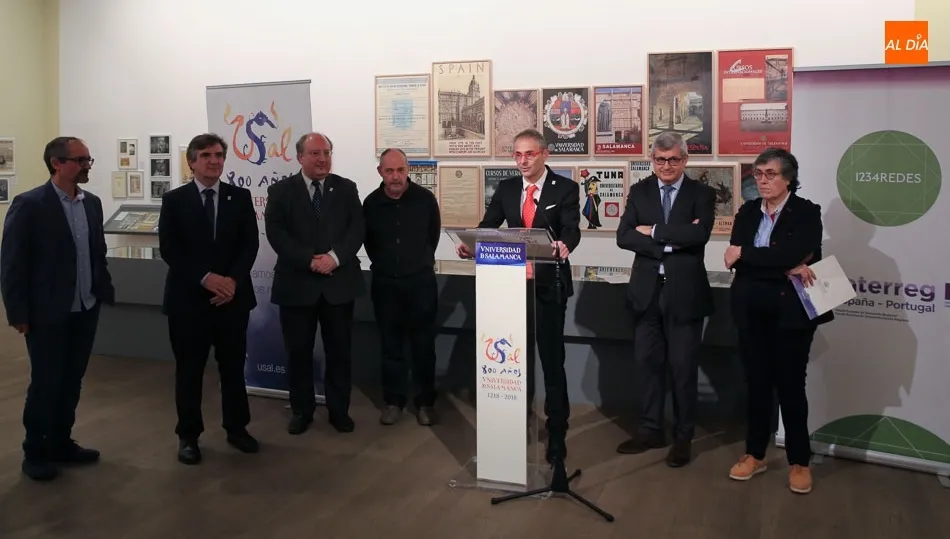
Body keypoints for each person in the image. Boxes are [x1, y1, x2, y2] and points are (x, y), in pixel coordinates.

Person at [456, 128, 580, 464]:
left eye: (529, 154)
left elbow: (571, 228)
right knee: (511, 362)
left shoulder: (565, 188)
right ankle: (512, 427)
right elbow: (489, 225)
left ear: (544, 154)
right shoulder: (508, 188)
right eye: (517, 155)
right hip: (511, 287)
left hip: (548, 287)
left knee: (552, 363)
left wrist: (564, 245)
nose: (522, 161)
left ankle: (557, 435)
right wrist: (472, 244)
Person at [0, 136, 115, 481]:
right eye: (80, 160)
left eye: (88, 160)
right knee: (46, 382)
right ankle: (35, 450)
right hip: (47, 312)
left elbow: (97, 252)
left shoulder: (91, 203)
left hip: (85, 306)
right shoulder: (30, 204)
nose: (86, 166)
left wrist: (101, 289)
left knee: (72, 380)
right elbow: (12, 264)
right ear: (56, 162)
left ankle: (62, 442)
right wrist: (18, 313)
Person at [724, 147, 832, 495]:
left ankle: (799, 461)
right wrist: (780, 266)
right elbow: (735, 259)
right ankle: (755, 454)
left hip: (790, 316)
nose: (763, 180)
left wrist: (752, 257)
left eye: (770, 174)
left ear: (788, 178)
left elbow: (787, 253)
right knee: (756, 386)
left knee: (790, 388)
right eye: (758, 174)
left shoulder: (806, 212)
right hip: (750, 310)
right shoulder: (747, 212)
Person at [158, 133, 260, 465]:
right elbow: (171, 249)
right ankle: (188, 435)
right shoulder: (174, 200)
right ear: (191, 162)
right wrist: (207, 278)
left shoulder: (239, 197)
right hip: (189, 301)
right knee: (190, 370)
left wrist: (230, 281)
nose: (214, 161)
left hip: (232, 300)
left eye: (218, 155)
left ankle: (237, 427)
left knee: (233, 368)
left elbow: (249, 245)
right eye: (206, 155)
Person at [615, 131, 716, 467]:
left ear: (685, 160)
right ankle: (650, 430)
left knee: (683, 370)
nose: (667, 165)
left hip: (685, 295)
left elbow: (699, 234)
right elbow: (624, 236)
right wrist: (673, 239)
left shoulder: (701, 193)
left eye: (674, 159)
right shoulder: (640, 191)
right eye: (660, 160)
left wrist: (654, 231)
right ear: (652, 161)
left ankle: (683, 437)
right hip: (646, 294)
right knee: (648, 365)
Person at [264, 132, 365, 435]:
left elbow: (357, 229)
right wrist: (309, 259)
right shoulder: (280, 191)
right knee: (298, 352)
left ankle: (339, 411)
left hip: (338, 283)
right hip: (298, 284)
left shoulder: (346, 189)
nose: (323, 159)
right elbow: (276, 234)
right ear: (300, 158)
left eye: (327, 152)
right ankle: (301, 410)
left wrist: (334, 258)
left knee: (339, 352)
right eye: (316, 153)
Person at [363, 148, 441, 426]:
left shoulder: (425, 200)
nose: (395, 177)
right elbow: (369, 243)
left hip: (420, 284)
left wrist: (415, 265)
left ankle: (425, 403)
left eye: (400, 170)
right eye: (389, 171)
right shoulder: (370, 204)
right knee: (390, 346)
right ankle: (393, 401)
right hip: (385, 285)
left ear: (408, 170)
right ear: (380, 172)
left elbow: (432, 237)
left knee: (423, 346)